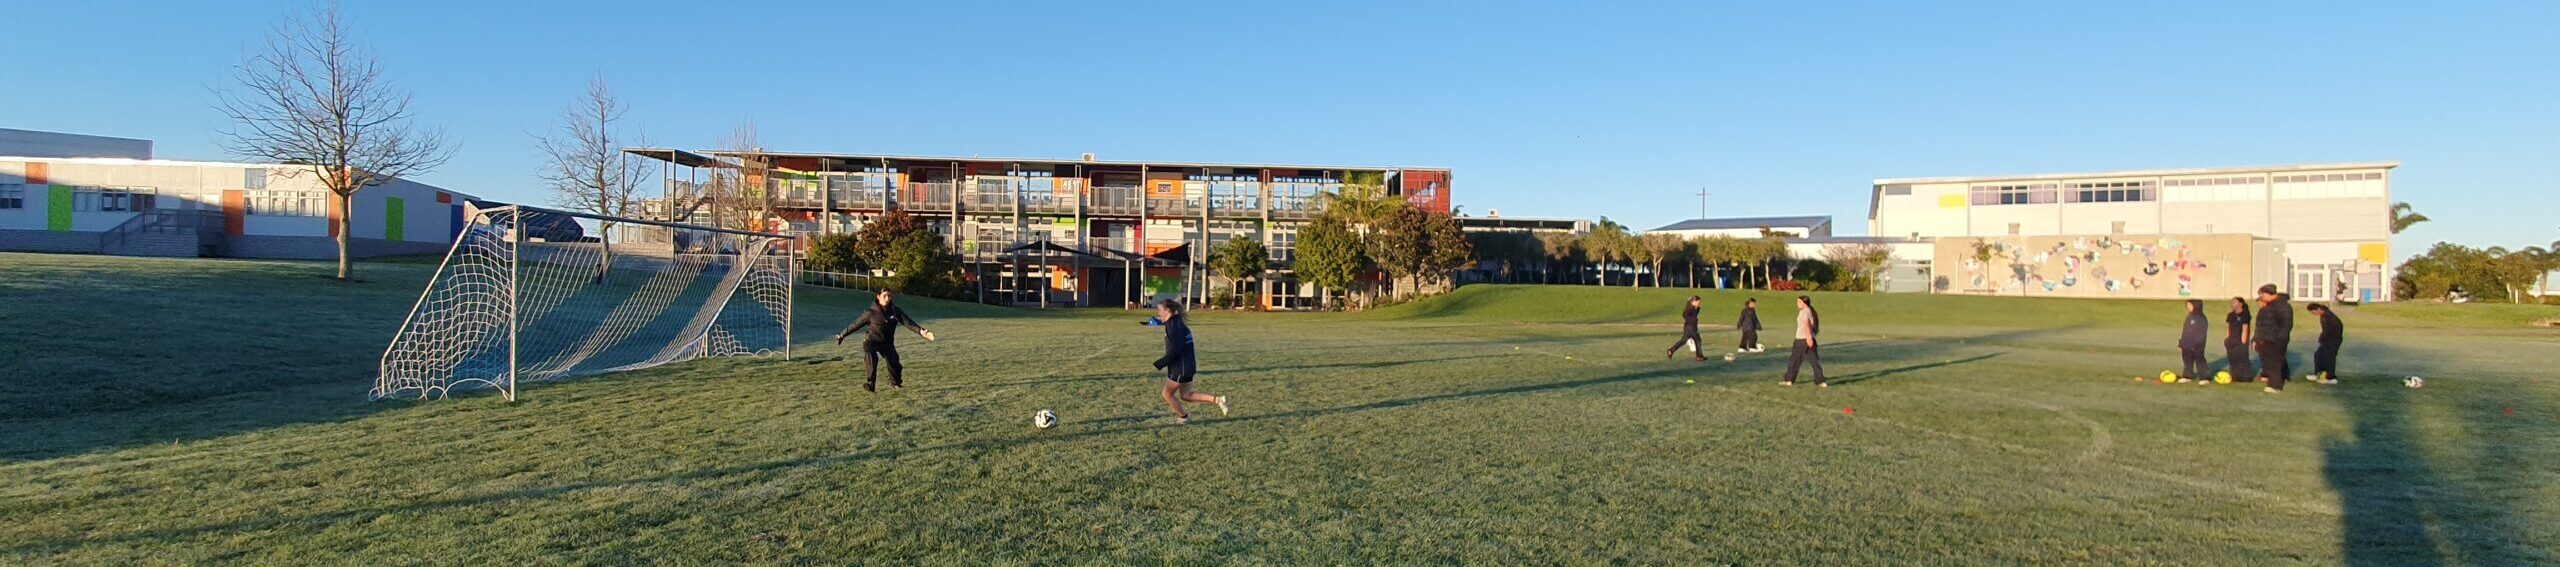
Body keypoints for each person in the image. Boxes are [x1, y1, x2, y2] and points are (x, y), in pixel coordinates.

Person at [834, 290, 935, 393]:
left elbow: (908, 322)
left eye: (889, 296)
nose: (887, 298)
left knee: (894, 363)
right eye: (885, 296)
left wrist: (921, 331)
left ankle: (895, 383)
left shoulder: (895, 311)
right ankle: (870, 384)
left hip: (887, 343)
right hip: (872, 341)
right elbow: (855, 324)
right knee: (871, 356)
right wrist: (842, 335)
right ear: (878, 297)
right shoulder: (870, 313)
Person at [1150, 300, 1228, 425]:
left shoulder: (1173, 328)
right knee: (1186, 395)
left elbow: (1176, 351)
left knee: (1166, 394)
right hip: (1188, 365)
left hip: (1180, 368)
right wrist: (1158, 321)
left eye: (1159, 310)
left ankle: (1183, 417)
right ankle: (1218, 400)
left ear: (1168, 311)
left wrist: (1160, 363)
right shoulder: (1176, 322)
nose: (1158, 313)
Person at [2251, 284, 2294, 393]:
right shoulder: (2267, 307)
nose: (2261, 297)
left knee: (2274, 363)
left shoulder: (2283, 306)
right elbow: (2261, 325)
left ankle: (2275, 386)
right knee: (2274, 361)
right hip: (2266, 339)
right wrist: (2256, 339)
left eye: (2262, 294)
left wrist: (2280, 338)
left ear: (2270, 293)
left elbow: (2286, 324)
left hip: (2276, 340)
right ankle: (2284, 376)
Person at [1781, 295, 1826, 387]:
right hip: (1809, 339)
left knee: (1795, 361)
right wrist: (1810, 338)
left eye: (1799, 302)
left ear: (1804, 303)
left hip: (1801, 340)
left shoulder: (1804, 312)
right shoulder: (1810, 311)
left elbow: (1806, 324)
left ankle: (1789, 380)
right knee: (1814, 361)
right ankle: (1820, 381)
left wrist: (1808, 337)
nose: (1797, 304)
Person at [2309, 303, 2344, 384]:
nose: (2313, 314)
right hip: (2327, 340)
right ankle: (2318, 374)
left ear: (2318, 309)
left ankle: (2331, 378)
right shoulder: (2324, 315)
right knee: (2318, 355)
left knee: (2329, 358)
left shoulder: (2329, 316)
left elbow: (2339, 326)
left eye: (2313, 312)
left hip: (2332, 340)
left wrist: (2331, 338)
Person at [2222, 297, 2254, 383]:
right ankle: (2235, 376)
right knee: (2232, 359)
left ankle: (2246, 376)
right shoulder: (2230, 315)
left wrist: (2243, 342)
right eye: (2232, 302)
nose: (2232, 304)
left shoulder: (2245, 315)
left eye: (2235, 302)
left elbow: (2245, 329)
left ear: (2241, 304)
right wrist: (2226, 339)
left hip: (2240, 341)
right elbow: (2228, 328)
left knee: (2242, 359)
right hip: (2231, 340)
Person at [1666, 296, 1706, 361]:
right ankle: (1699, 356)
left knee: (1684, 340)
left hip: (1689, 327)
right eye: (1698, 301)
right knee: (1698, 340)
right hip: (1691, 327)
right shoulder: (1690, 308)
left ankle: (1671, 350)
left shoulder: (1695, 308)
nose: (1699, 303)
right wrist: (1691, 319)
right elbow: (1684, 314)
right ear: (1693, 302)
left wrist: (1696, 309)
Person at [2178, 299, 2209, 383]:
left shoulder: (2201, 318)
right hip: (2187, 344)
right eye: (2187, 305)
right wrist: (2181, 343)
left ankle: (2205, 377)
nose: (2188, 307)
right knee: (2187, 360)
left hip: (2197, 344)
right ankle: (2188, 376)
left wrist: (2197, 342)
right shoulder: (2189, 317)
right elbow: (2185, 331)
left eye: (2190, 305)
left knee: (2199, 360)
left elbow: (2201, 332)